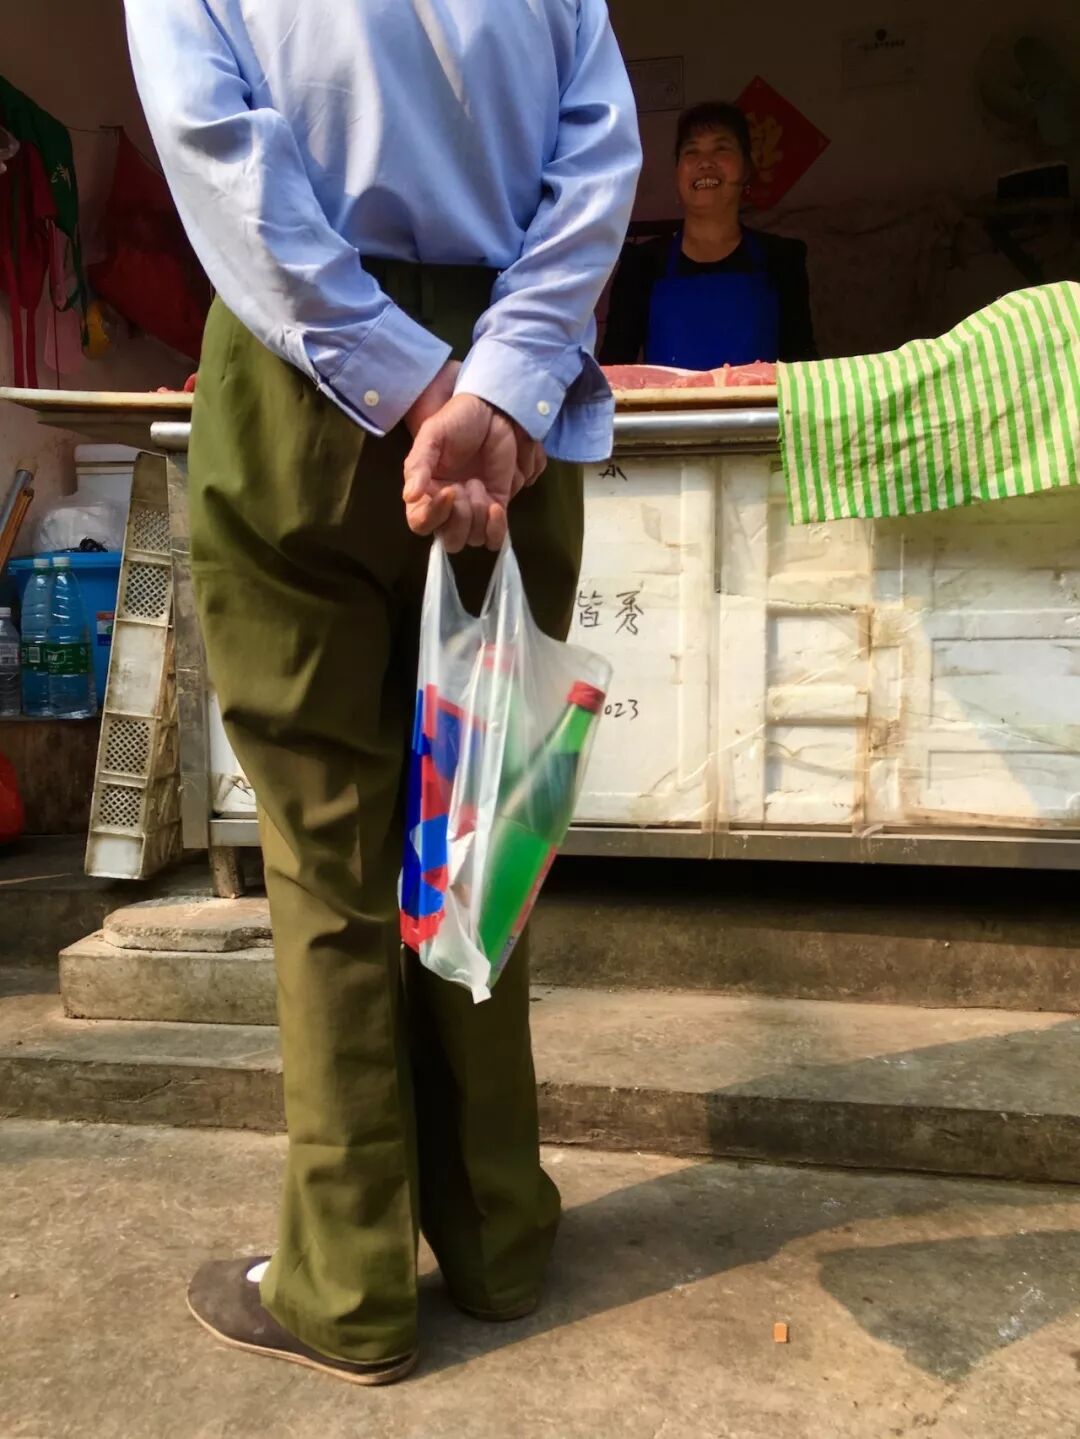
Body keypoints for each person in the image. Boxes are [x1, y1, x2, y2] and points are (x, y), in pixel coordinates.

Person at [124, 0, 641, 1386]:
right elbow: (599, 157)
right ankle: (498, 1234)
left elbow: (224, 158)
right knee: (484, 820)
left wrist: (412, 383)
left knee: (332, 849)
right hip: (516, 401)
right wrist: (502, 384)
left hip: (308, 389)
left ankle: (350, 1284)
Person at [600, 101, 816, 369]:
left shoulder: (782, 259)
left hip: (760, 399)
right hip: (669, 399)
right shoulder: (641, 265)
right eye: (691, 151)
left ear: (747, 167)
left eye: (721, 148)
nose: (704, 162)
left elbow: (803, 369)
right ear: (678, 174)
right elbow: (613, 371)